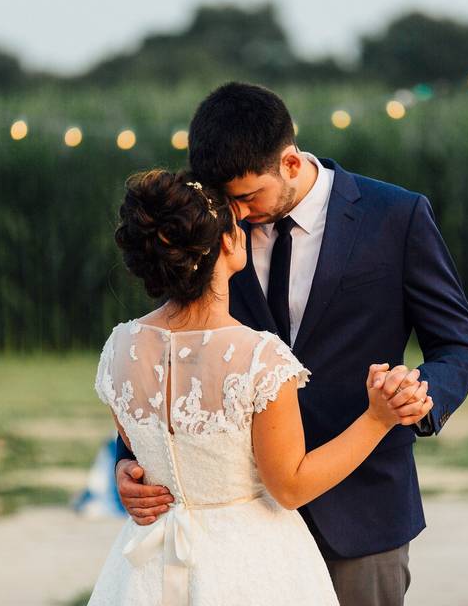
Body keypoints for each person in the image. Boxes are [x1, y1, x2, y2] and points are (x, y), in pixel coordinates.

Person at [115, 82, 468, 605]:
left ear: (290, 162)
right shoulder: (218, 239)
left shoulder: (395, 217)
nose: (237, 215)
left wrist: (417, 392)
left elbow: (460, 345)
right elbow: (170, 360)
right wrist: (128, 463)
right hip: (238, 530)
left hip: (360, 512)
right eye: (225, 202)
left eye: (247, 197)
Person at [88, 169, 432, 605]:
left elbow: (144, 447)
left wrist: (127, 468)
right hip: (248, 564)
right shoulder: (257, 358)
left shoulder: (121, 348)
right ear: (227, 243)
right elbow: (289, 486)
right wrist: (378, 419)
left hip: (148, 570)